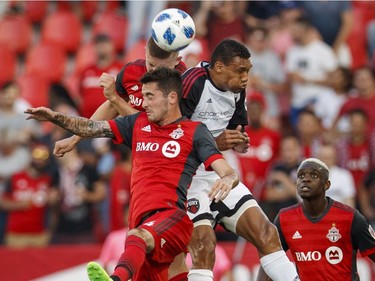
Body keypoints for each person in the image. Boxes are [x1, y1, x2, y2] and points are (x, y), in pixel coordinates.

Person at [103, 39, 299, 281]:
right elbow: (166, 132)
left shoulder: (237, 90)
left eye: (247, 71)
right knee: (204, 248)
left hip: (218, 174)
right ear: (219, 67)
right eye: (240, 71)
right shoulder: (193, 83)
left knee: (267, 233)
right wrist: (218, 141)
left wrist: (238, 141)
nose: (246, 77)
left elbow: (230, 134)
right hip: (188, 180)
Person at [25, 67, 239, 281]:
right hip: (141, 224)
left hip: (171, 216)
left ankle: (116, 279)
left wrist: (228, 179)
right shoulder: (137, 124)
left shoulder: (194, 131)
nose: (143, 103)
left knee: (137, 237)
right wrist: (55, 118)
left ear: (172, 97)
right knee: (170, 272)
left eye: (150, 96)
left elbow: (226, 171)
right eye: (143, 96)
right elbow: (90, 127)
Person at [53, 37, 186, 157]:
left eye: (161, 68)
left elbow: (153, 129)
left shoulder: (185, 81)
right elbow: (111, 107)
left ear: (176, 61)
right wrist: (74, 139)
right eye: (150, 64)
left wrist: (114, 98)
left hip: (170, 152)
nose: (153, 72)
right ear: (145, 53)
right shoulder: (130, 72)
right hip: (137, 151)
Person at [257, 158, 375, 281]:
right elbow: (269, 260)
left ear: (326, 185)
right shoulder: (285, 219)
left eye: (313, 175)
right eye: (300, 176)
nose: (305, 179)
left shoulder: (350, 217)